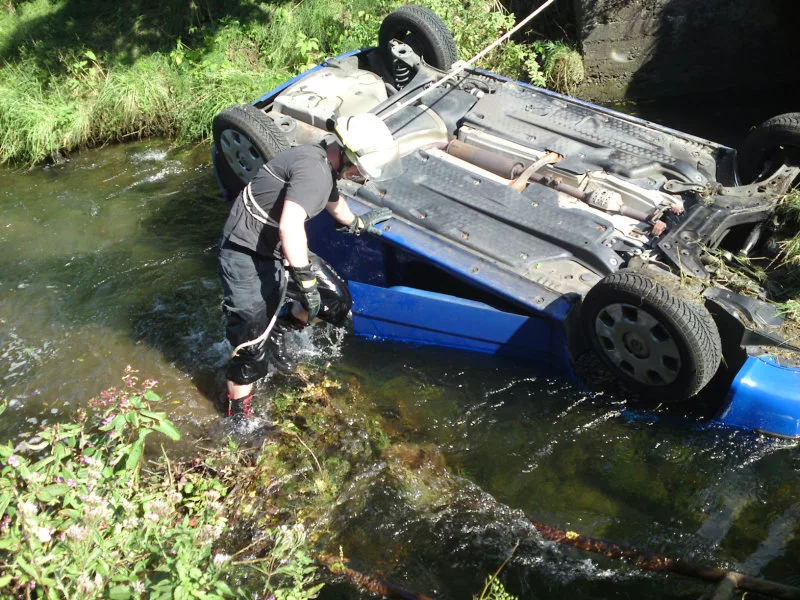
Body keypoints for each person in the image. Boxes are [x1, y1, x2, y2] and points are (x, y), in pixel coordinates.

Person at [218, 114, 396, 418]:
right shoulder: (315, 172)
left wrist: (357, 223)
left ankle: (280, 329)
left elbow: (333, 201)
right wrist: (305, 280)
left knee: (335, 302)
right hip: (245, 251)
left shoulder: (322, 165)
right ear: (347, 157)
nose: (362, 178)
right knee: (250, 345)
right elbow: (290, 226)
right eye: (361, 172)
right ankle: (239, 419)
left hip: (276, 247)